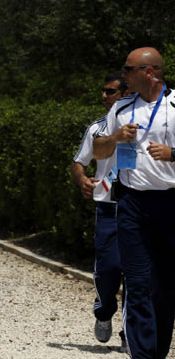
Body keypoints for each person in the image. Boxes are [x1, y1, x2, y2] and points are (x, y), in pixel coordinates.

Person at [93, 47, 175, 359]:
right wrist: (114, 138)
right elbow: (98, 151)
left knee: (165, 287)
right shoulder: (123, 108)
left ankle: (156, 351)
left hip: (170, 204)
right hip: (132, 204)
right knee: (138, 284)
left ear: (150, 73)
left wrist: (172, 154)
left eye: (129, 70)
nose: (124, 75)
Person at [70, 72, 128, 348]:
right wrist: (82, 178)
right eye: (103, 91)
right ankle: (104, 311)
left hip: (137, 205)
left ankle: (131, 332)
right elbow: (78, 162)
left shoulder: (143, 126)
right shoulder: (97, 129)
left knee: (137, 272)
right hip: (107, 206)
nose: (104, 96)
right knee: (109, 269)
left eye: (110, 91)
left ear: (125, 94)